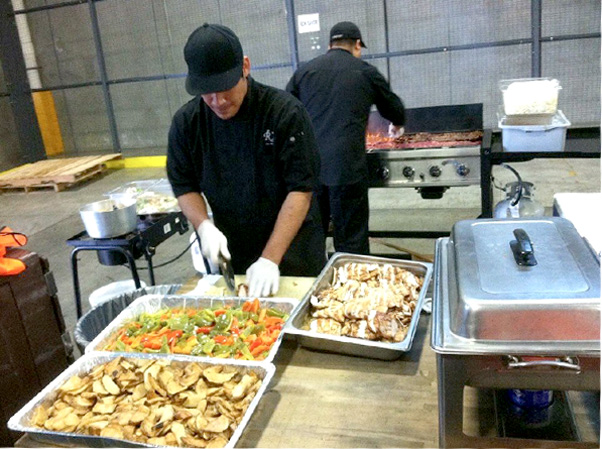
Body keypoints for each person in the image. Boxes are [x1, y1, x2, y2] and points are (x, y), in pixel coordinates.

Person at [167, 23, 325, 297]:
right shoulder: (187, 123)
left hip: (293, 252)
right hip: (236, 253)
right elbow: (184, 184)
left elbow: (301, 190)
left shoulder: (284, 113)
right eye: (207, 91)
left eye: (225, 87)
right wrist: (204, 225)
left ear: (245, 67)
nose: (217, 101)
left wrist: (270, 259)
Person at [287, 21, 405, 255]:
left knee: (311, 237)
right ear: (357, 44)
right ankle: (352, 282)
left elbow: (287, 110)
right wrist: (397, 124)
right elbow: (393, 108)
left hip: (310, 171)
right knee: (351, 241)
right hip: (347, 170)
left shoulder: (304, 71)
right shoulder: (365, 71)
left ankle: (312, 284)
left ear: (330, 44)